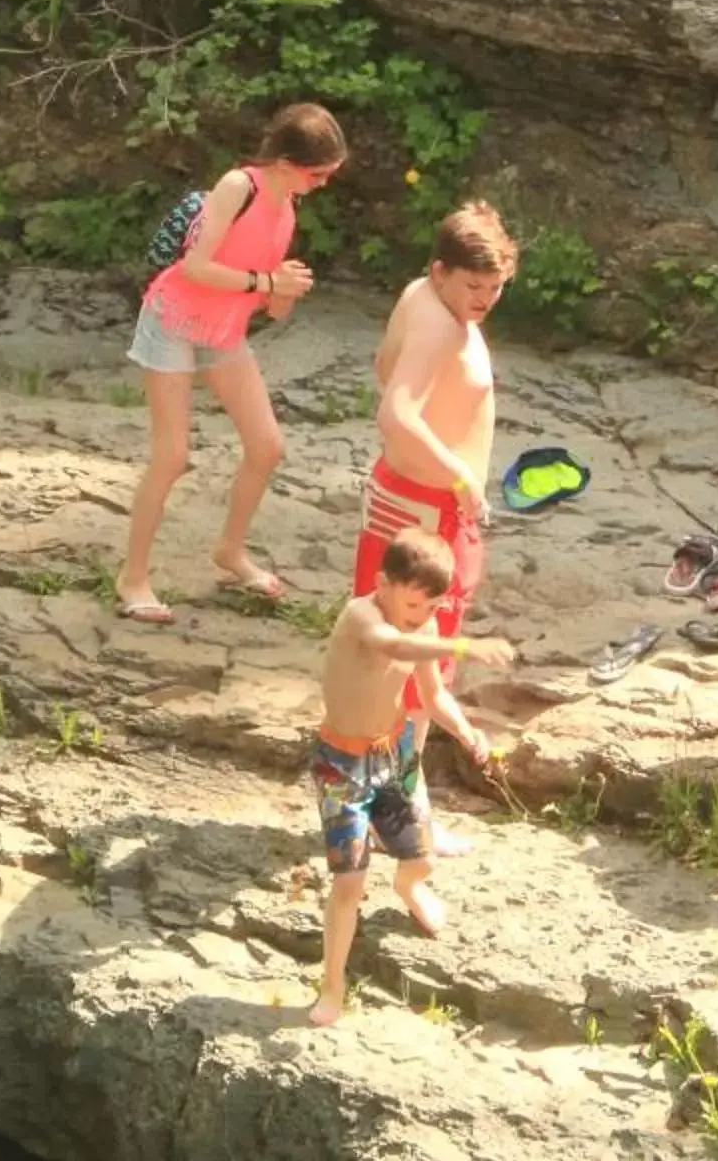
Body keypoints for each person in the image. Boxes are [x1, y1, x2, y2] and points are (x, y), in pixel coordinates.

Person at [115, 103, 348, 621]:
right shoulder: (237, 187)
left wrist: (284, 290)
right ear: (286, 162)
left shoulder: (287, 206)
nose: (325, 183)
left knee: (267, 447)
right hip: (173, 317)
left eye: (331, 175)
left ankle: (230, 551)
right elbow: (196, 267)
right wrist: (266, 282)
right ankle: (133, 578)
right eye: (319, 174)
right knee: (172, 455)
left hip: (223, 329)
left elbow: (269, 303)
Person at [352, 202, 516, 833]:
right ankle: (402, 817)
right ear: (441, 270)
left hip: (399, 496)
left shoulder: (420, 296)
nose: (484, 299)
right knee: (418, 679)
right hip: (428, 514)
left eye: (496, 287)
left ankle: (378, 803)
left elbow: (383, 367)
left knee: (389, 661)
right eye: (473, 286)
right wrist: (460, 474)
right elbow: (396, 412)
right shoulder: (443, 327)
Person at [309, 530, 515, 1027]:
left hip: (395, 756)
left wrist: (468, 733)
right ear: (383, 583)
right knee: (349, 883)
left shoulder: (423, 626)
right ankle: (333, 984)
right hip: (342, 765)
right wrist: (465, 644)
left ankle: (409, 886)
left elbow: (431, 695)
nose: (420, 617)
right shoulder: (363, 615)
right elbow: (389, 642)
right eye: (413, 603)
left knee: (421, 857)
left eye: (430, 607)